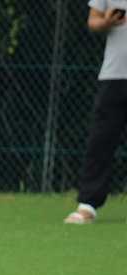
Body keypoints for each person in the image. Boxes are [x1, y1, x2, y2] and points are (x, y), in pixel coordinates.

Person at [64, 2, 127, 224]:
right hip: (114, 75)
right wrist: (107, 22)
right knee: (101, 141)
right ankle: (88, 205)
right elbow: (93, 21)